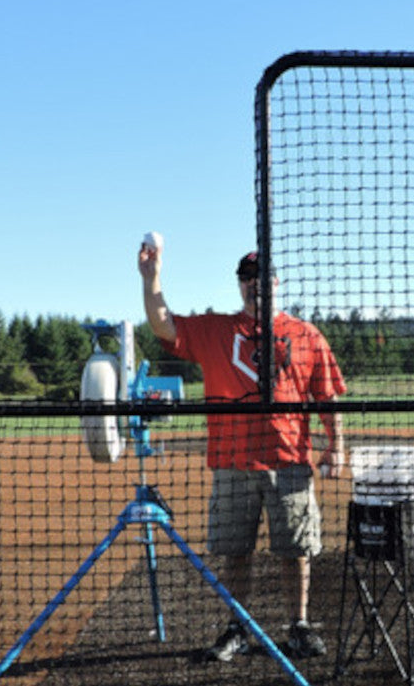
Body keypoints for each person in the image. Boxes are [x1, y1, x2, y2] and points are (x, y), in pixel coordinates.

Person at [138, 242, 346, 662]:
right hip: (232, 462)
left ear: (276, 282)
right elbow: (164, 326)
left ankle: (299, 625)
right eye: (247, 279)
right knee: (235, 552)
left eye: (261, 278)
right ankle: (236, 628)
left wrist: (336, 445)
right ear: (240, 285)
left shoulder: (306, 335)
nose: (255, 285)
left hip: (289, 461)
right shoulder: (217, 329)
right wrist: (151, 278)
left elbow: (327, 396)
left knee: (296, 550)